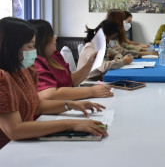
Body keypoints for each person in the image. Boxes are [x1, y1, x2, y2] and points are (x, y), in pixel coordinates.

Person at [0, 17, 107, 149]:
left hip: (25, 143)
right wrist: (70, 124)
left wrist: (70, 104)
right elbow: (15, 130)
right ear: (11, 48)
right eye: (30, 46)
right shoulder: (2, 79)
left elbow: (37, 105)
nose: (34, 51)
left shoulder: (25, 70)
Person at [29, 19, 114, 100]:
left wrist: (90, 64)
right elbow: (49, 95)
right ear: (42, 41)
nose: (55, 38)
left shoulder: (55, 55)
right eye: (51, 36)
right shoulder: (36, 62)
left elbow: (71, 81)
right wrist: (91, 91)